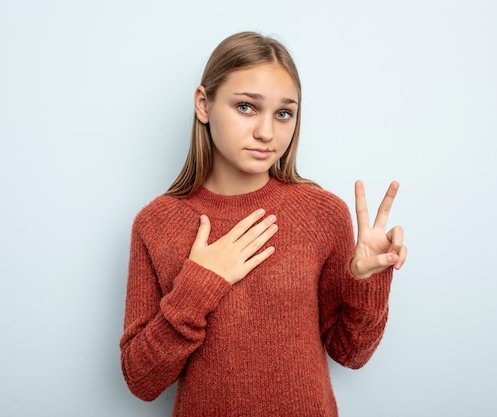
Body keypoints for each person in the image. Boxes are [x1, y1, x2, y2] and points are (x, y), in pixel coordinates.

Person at [120, 31, 407, 417]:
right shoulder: (156, 224)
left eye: (284, 113)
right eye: (246, 107)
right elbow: (142, 380)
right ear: (203, 104)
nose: (267, 132)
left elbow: (350, 354)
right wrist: (199, 284)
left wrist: (366, 279)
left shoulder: (322, 214)